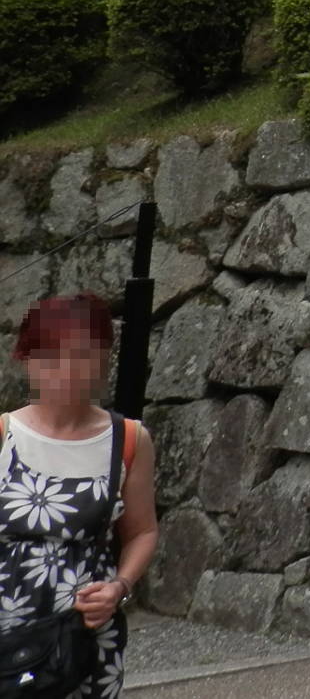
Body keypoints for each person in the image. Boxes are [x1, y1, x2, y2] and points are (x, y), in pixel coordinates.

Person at [0, 294, 157, 698]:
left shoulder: (128, 440)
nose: (67, 370)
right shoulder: (3, 436)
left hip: (84, 634)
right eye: (50, 355)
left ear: (105, 359)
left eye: (83, 355)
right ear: (26, 358)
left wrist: (119, 587)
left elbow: (142, 531)